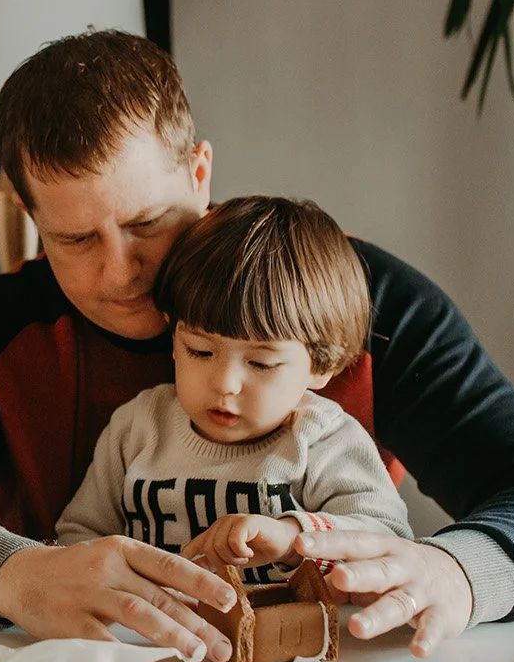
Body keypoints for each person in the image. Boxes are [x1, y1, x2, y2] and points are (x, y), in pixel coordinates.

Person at [0, 29, 514, 662]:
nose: (120, 274)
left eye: (146, 224)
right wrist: (13, 574)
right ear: (29, 219)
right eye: (74, 240)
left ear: (200, 173)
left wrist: (453, 572)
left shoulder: (360, 298)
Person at [55, 196, 411, 610]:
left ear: (321, 365)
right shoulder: (138, 427)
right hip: (151, 650)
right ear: (172, 338)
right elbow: (79, 536)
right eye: (200, 352)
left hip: (294, 659)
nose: (224, 383)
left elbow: (389, 539)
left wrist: (294, 538)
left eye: (261, 363)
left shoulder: (323, 439)